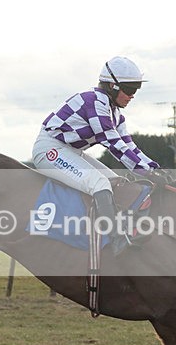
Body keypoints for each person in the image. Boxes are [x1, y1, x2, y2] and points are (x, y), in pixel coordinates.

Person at [32, 56, 167, 255]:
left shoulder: (116, 114)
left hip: (70, 151)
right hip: (49, 150)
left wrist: (154, 168)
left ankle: (128, 228)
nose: (132, 96)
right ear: (112, 86)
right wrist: (146, 172)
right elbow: (114, 144)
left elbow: (129, 146)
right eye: (129, 89)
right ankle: (116, 239)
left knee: (117, 182)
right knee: (100, 184)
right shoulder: (94, 102)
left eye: (136, 90)